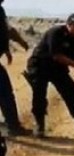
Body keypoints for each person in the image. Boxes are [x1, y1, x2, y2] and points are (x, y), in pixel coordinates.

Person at [23, 13, 74, 137]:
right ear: (69, 25)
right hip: (40, 65)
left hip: (58, 68)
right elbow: (57, 56)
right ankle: (40, 127)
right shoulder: (55, 33)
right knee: (39, 93)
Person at [0, 1, 31, 135]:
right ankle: (13, 127)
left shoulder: (0, 10)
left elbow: (5, 30)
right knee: (5, 93)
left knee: (5, 93)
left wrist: (6, 49)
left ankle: (13, 126)